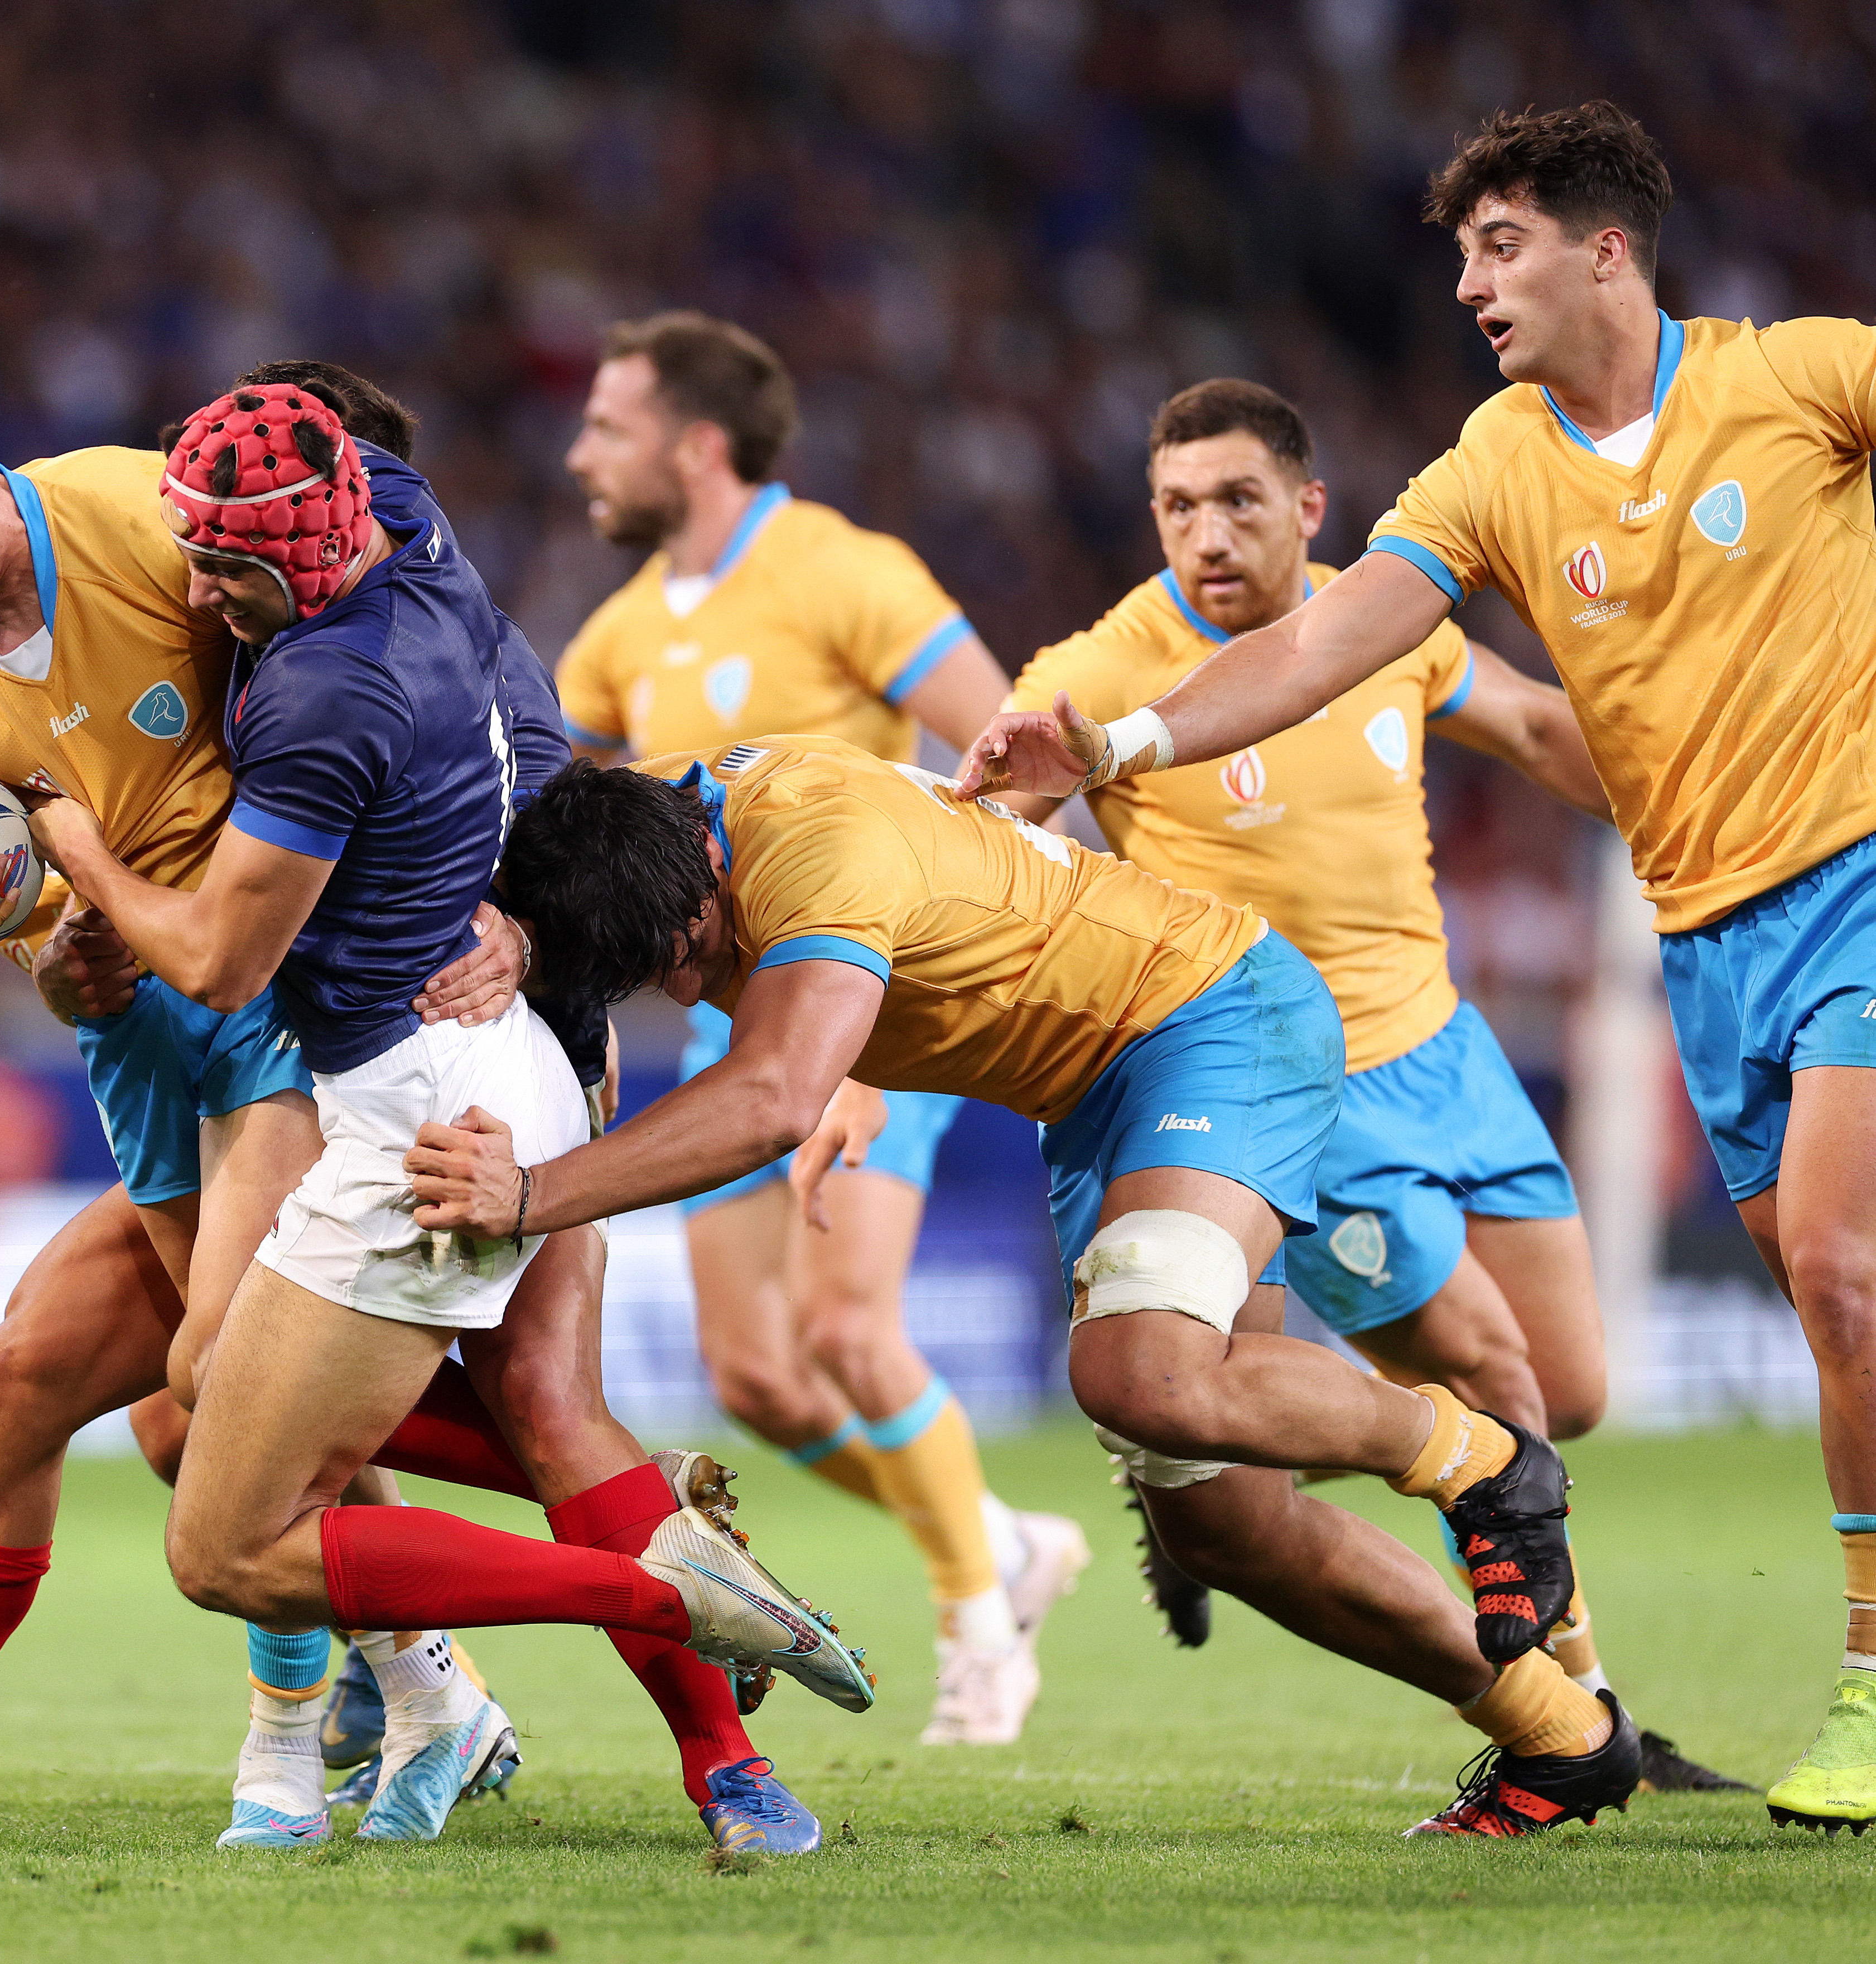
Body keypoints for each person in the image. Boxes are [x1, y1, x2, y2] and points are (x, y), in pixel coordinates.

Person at [0, 354, 802, 1854]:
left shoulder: (154, 527)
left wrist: (537, 927)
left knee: (229, 1392)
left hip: (290, 1013)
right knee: (32, 1381)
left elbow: (473, 676)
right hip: (139, 1047)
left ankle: (540, 1739)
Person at [958, 100, 1876, 1836]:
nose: (1464, 281)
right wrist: (1118, 744)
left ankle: (1831, 1683)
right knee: (1708, 1341)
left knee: (1834, 1275)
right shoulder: (1484, 470)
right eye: (1457, 252)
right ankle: (1512, 1632)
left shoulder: (1802, 376)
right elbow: (1319, 648)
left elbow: (1521, 718)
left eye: (1498, 244)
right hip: (1688, 947)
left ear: (1607, 249)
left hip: (1827, 892)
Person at [416, 737, 1639, 1838]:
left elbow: (770, 1097)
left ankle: (1480, 1461)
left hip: (1210, 1020)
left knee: (1140, 1373)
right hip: (1098, 1088)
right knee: (1228, 1529)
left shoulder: (813, 851)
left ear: (700, 875)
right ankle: (1563, 1737)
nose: (688, 990)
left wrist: (532, 1192)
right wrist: (523, 936)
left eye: (687, 956)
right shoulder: (657, 823)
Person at [25, 384, 877, 1847]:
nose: (194, 586)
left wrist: (82, 859)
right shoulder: (409, 529)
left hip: (420, 1133)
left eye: (222, 563)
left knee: (221, 1532)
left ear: (301, 559)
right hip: (533, 1057)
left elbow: (218, 959)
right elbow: (534, 759)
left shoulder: (318, 697)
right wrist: (544, 950)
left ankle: (651, 1584)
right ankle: (731, 1772)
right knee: (537, 1417)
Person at [996, 377, 1747, 1794]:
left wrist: (1705, 801)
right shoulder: (1101, 673)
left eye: (1237, 501)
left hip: (1449, 1056)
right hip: (1292, 1089)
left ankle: (1188, 1450)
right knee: (1496, 1382)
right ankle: (1591, 1716)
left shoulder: (1380, 623)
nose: (1205, 534)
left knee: (1571, 1393)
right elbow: (980, 838)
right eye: (1175, 508)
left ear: (1309, 508)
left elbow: (1532, 728)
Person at [554, 310, 1087, 1744]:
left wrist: (874, 1020)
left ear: (696, 444)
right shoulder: (614, 641)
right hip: (730, 1030)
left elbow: (1009, 758)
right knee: (760, 1382)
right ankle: (1002, 1538)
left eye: (606, 426)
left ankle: (980, 1624)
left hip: (883, 998)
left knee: (850, 1335)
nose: (578, 454)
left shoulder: (845, 571)